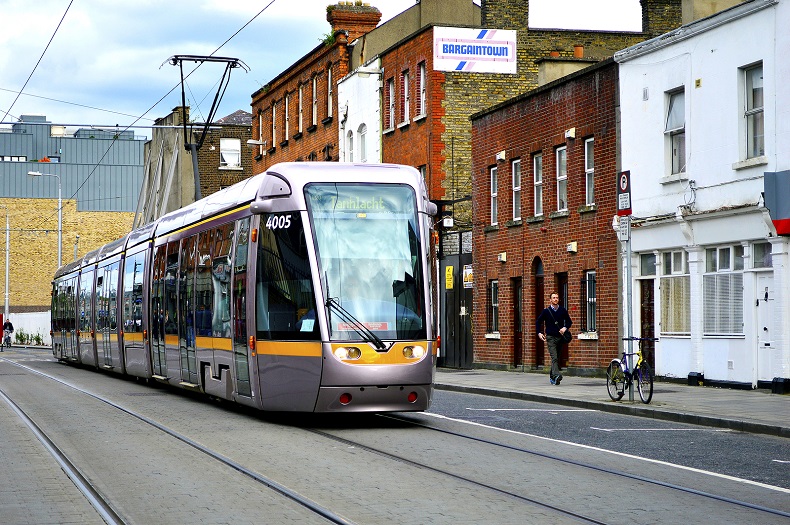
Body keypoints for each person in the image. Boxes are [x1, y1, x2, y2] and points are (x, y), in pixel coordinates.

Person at [536, 292, 572, 385]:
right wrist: (539, 333)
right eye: (553, 298)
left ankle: (552, 378)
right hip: (550, 337)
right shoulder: (546, 311)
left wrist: (564, 328)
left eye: (557, 297)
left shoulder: (562, 310)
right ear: (550, 300)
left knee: (557, 358)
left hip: (560, 337)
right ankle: (557, 375)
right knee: (554, 357)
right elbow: (538, 321)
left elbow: (569, 322)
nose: (555, 299)